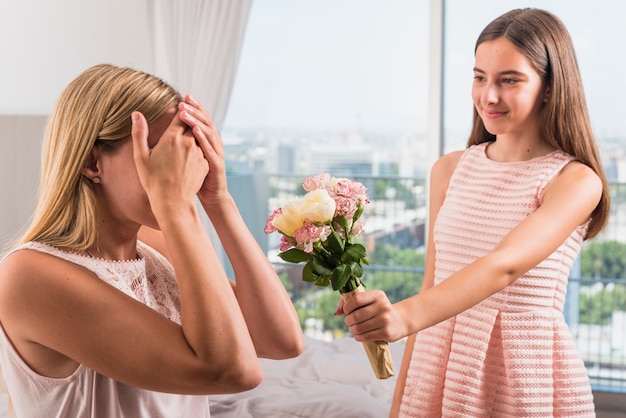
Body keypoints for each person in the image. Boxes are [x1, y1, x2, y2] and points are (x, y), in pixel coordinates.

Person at [339, 8, 610, 417]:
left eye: (509, 80)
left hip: (521, 371)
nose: (489, 95)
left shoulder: (575, 181)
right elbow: (433, 287)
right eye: (479, 77)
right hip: (439, 359)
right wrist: (399, 405)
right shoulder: (449, 169)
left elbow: (504, 265)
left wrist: (401, 317)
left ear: (551, 88)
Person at [0, 64, 304, 417]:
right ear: (92, 162)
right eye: (162, 154)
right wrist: (177, 208)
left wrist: (219, 199)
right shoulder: (28, 276)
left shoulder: (153, 246)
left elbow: (279, 340)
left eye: (187, 152)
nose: (181, 172)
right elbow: (233, 371)